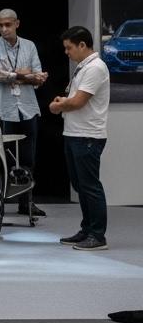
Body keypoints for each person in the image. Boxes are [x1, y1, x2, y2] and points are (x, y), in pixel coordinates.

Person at [49, 26, 110, 251]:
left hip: (88, 136)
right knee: (80, 185)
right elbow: (74, 98)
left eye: (69, 48)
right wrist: (64, 101)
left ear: (82, 45)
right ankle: (87, 229)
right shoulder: (84, 67)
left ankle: (97, 235)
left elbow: (78, 102)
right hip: (75, 133)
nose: (67, 52)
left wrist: (58, 105)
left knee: (90, 186)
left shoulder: (95, 67)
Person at [0, 9, 47, 217]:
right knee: (4, 156)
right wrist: (25, 74)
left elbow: (39, 76)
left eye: (8, 25)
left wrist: (15, 75)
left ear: (17, 24)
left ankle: (26, 203)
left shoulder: (29, 45)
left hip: (27, 107)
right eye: (0, 25)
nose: (4, 29)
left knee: (29, 158)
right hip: (3, 109)